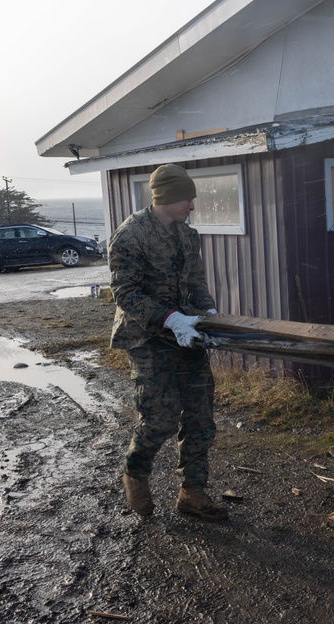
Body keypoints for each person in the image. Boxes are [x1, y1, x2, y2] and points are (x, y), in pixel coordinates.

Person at [108, 163, 228, 522]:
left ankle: (193, 493)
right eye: (187, 199)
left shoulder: (188, 235)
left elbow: (195, 280)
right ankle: (135, 473)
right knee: (159, 418)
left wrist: (208, 311)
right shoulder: (131, 235)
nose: (192, 206)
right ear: (167, 198)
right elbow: (125, 293)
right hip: (147, 337)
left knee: (199, 417)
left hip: (188, 335)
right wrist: (170, 319)